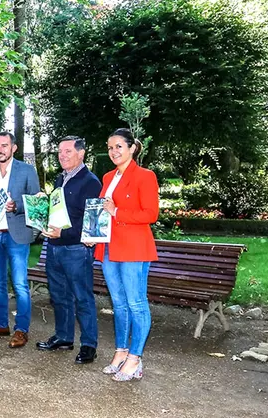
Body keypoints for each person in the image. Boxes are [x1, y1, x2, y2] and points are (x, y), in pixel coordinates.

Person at [91, 128, 159, 382]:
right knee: (118, 304)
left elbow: (150, 214)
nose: (114, 151)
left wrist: (117, 212)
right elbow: (101, 212)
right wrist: (92, 232)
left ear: (132, 148)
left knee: (136, 303)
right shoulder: (108, 177)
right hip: (109, 247)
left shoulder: (145, 176)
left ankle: (135, 358)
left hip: (134, 248)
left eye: (119, 146)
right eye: (110, 147)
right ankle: (121, 351)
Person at [36, 136, 102, 365]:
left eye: (67, 151)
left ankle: (88, 345)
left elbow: (91, 225)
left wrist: (62, 234)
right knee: (59, 297)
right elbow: (59, 213)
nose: (62, 156)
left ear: (81, 153)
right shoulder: (60, 179)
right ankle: (64, 337)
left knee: (82, 298)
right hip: (54, 248)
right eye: (59, 152)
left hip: (76, 250)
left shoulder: (91, 182)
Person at [0, 131, 40, 348]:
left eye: (4, 145)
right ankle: (1, 324)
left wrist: (17, 206)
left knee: (21, 285)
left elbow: (36, 203)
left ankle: (22, 330)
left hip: (17, 236)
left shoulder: (27, 170)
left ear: (14, 148)